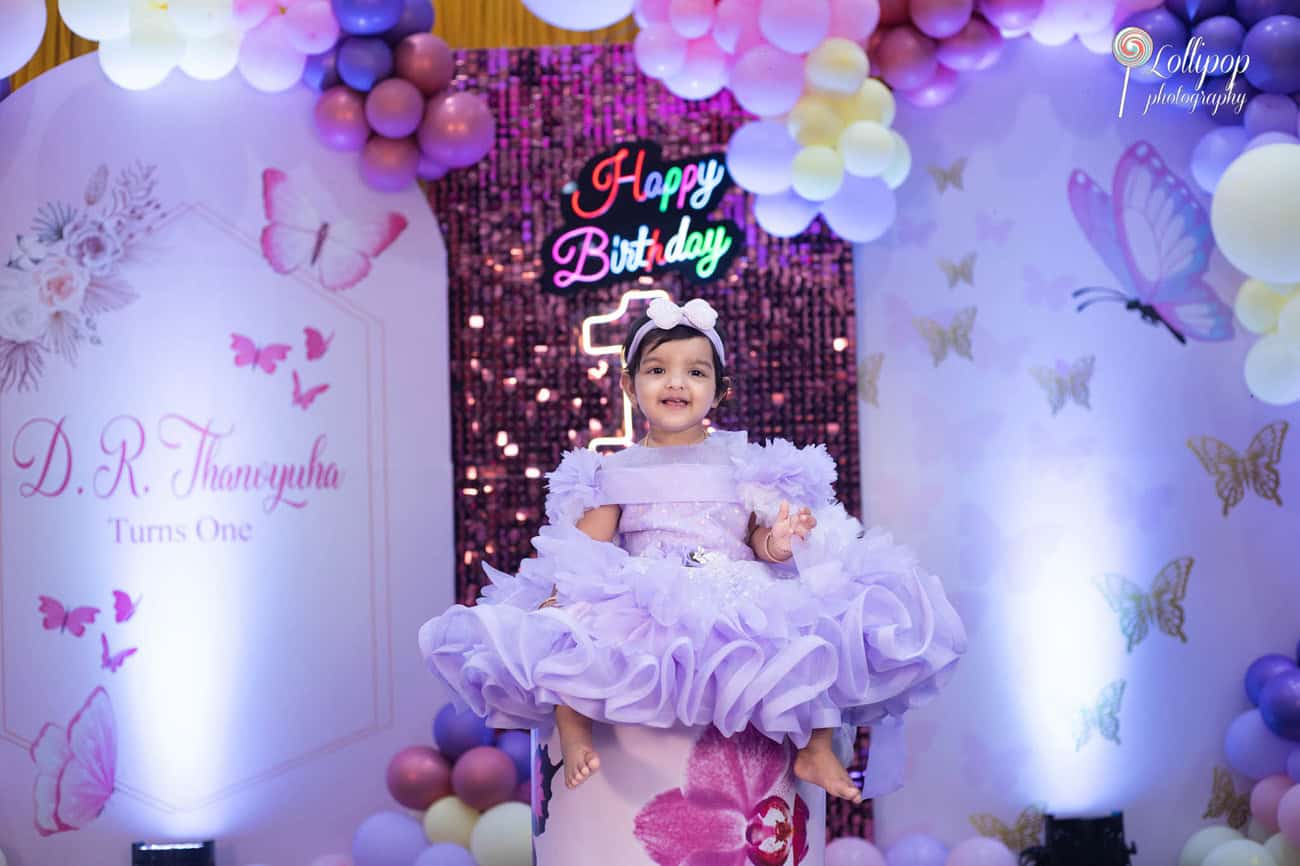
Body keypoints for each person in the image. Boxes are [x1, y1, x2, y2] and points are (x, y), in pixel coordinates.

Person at [419, 296, 966, 801]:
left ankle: (815, 748)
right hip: (648, 592)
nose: (675, 382)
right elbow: (583, 553)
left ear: (719, 391)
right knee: (574, 625)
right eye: (658, 370)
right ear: (631, 385)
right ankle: (574, 725)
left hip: (731, 585)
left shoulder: (742, 464)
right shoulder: (615, 470)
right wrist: (559, 597)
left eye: (694, 372)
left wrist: (779, 539)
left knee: (809, 626)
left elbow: (757, 539)